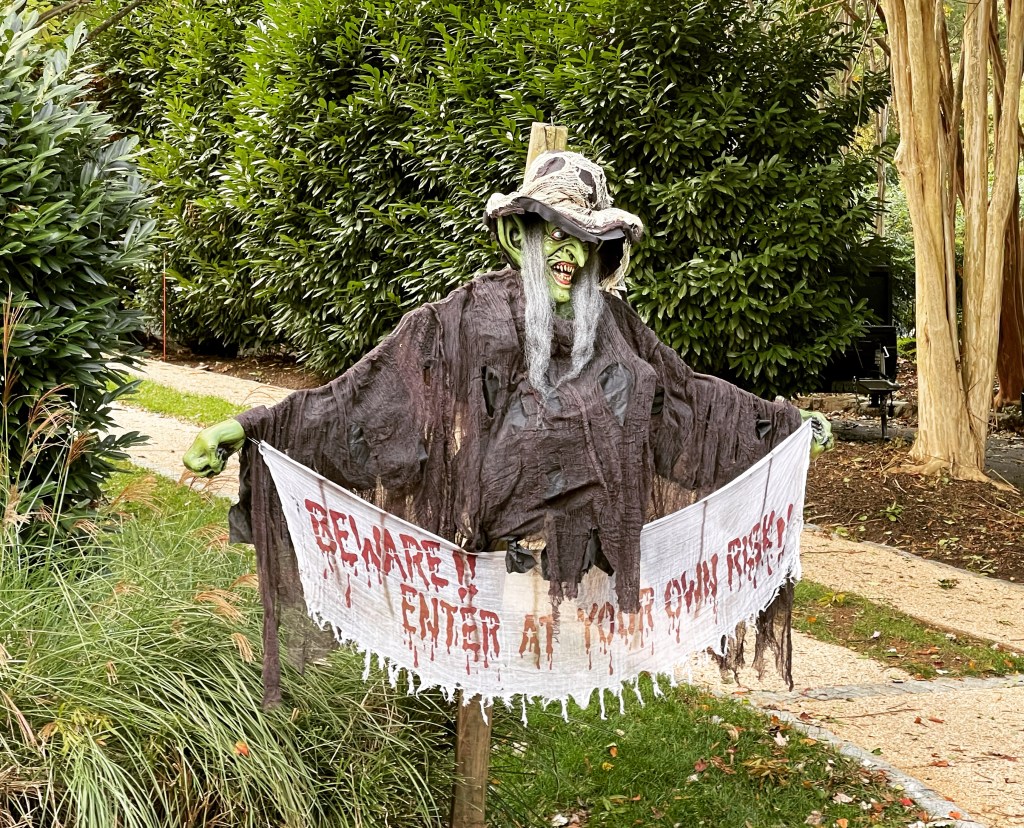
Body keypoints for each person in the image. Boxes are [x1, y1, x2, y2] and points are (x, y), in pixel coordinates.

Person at [183, 151, 831, 699]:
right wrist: (247, 427)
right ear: (521, 235)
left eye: (586, 240)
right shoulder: (467, 317)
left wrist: (781, 426)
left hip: (588, 575)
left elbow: (687, 405)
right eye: (556, 232)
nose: (571, 253)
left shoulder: (617, 329)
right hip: (488, 569)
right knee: (476, 705)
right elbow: (367, 399)